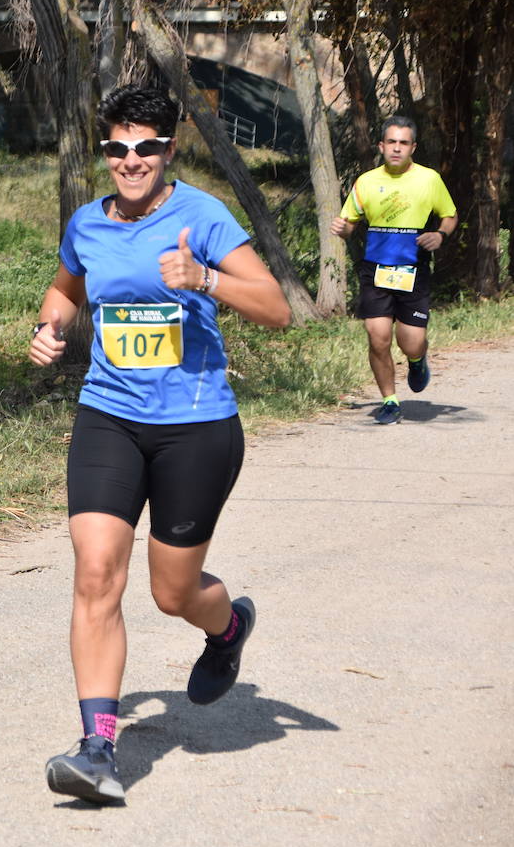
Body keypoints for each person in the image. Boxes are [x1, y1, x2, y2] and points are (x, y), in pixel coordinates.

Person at [27, 85, 290, 804]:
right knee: (95, 573)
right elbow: (65, 291)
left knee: (172, 592)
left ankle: (228, 625)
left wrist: (205, 277)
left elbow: (277, 309)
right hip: (108, 416)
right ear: (105, 153)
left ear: (169, 151)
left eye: (146, 147)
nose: (132, 160)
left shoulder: (201, 216)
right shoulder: (88, 223)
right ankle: (98, 749)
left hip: (197, 427)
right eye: (118, 148)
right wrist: (49, 328)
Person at [330, 116, 457, 425]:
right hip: (375, 270)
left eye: (403, 143)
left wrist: (440, 235)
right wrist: (343, 228)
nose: (396, 148)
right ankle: (390, 400)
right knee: (378, 337)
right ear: (381, 146)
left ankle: (416, 361)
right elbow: (350, 221)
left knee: (410, 340)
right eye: (391, 142)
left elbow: (449, 215)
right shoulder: (367, 181)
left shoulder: (429, 179)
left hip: (413, 269)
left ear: (412, 147)